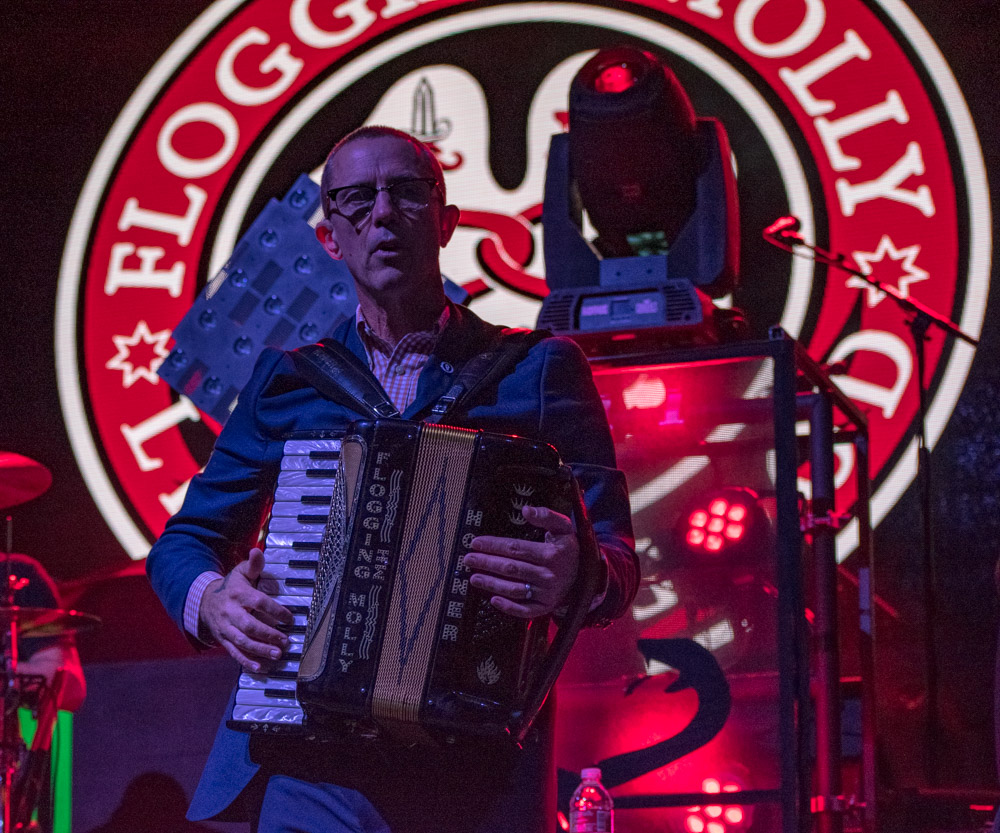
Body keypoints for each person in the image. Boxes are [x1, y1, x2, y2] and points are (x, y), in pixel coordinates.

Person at [146, 125, 637, 833]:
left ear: (445, 222)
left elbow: (618, 556)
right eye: (354, 200)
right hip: (311, 758)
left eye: (405, 193)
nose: (381, 213)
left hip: (474, 767)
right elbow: (184, 541)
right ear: (329, 239)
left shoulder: (537, 372)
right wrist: (215, 599)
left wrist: (577, 573)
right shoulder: (287, 381)